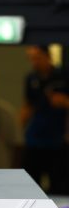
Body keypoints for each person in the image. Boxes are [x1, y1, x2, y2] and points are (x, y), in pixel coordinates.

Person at [21, 46, 69, 194]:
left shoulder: (63, 76)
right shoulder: (31, 78)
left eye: (37, 58)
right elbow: (28, 106)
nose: (34, 62)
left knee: (59, 186)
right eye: (31, 58)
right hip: (35, 139)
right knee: (31, 186)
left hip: (57, 140)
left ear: (47, 56)